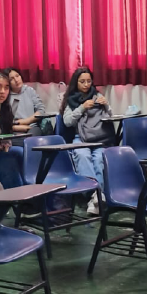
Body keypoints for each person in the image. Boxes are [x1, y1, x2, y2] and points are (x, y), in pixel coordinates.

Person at [61, 67, 112, 214]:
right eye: (82, 81)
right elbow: (67, 122)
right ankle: (96, 194)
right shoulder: (71, 99)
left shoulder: (97, 95)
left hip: (99, 138)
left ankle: (95, 198)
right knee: (82, 155)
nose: (86, 84)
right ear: (75, 82)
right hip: (80, 138)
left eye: (89, 81)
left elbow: (110, 116)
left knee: (99, 159)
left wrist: (106, 105)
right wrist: (82, 108)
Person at [4, 67, 46, 135]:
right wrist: (17, 127)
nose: (16, 80)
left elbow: (41, 110)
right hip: (14, 130)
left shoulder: (29, 91)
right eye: (11, 79)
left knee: (31, 138)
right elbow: (4, 121)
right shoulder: (6, 96)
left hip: (32, 127)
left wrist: (26, 121)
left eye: (17, 76)